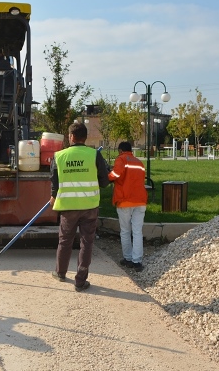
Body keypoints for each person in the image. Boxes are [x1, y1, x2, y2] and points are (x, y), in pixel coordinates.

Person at [50, 122, 109, 292]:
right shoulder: (94, 155)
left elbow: (54, 181)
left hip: (68, 207)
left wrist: (53, 195)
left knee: (65, 241)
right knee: (87, 242)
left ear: (71, 137)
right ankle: (80, 281)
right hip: (89, 206)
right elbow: (104, 182)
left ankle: (60, 273)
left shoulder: (59, 156)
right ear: (85, 137)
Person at [108, 141, 148, 272]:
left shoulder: (121, 159)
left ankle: (128, 258)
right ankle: (137, 261)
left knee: (125, 231)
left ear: (120, 150)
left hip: (124, 200)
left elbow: (116, 175)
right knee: (137, 231)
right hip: (140, 200)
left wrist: (107, 175)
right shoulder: (139, 163)